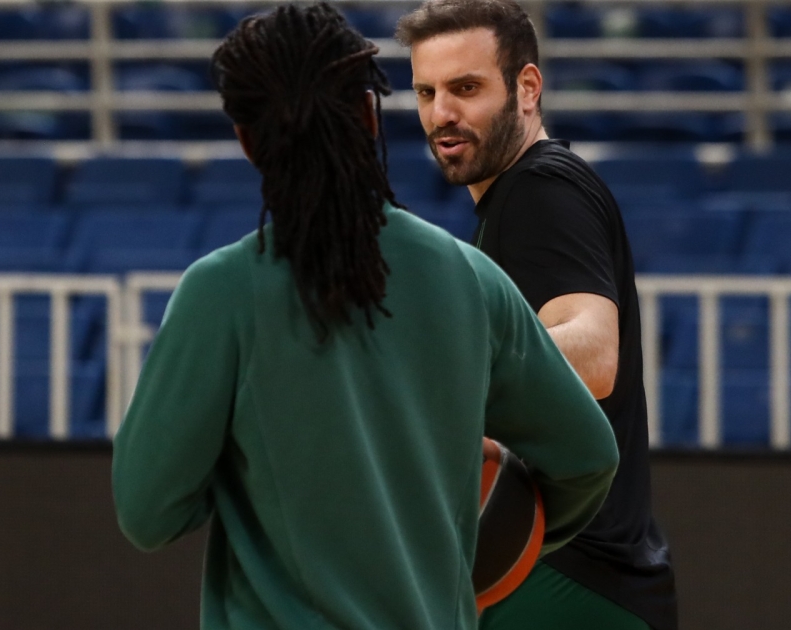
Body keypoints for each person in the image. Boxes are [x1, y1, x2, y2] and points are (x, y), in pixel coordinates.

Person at [111, 4, 619, 629]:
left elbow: (148, 513)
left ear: (246, 141)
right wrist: (475, 548)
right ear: (370, 114)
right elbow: (587, 457)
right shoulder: (469, 277)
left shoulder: (220, 292)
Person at [397, 1, 679, 629]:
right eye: (426, 92)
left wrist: (435, 374)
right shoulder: (520, 196)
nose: (441, 114)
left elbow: (594, 354)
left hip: (568, 575)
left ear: (527, 88)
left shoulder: (540, 189)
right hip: (573, 578)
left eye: (466, 88)